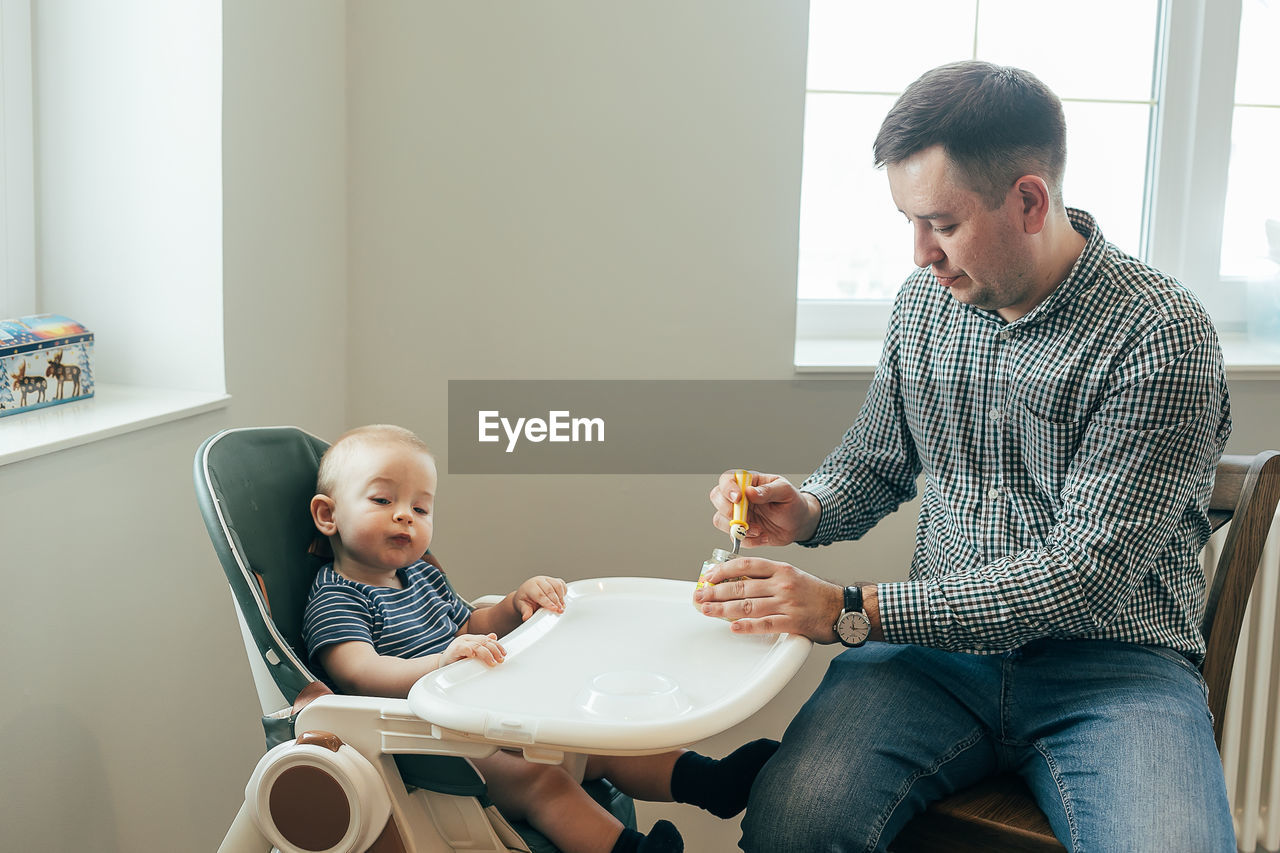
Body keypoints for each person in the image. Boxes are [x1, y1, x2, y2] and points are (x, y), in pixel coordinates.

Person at [697, 61, 1235, 852]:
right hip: (934, 660)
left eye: (942, 224)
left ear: (1028, 200)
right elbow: (875, 461)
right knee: (794, 824)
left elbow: (1081, 581)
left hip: (1116, 671)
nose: (920, 253)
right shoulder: (926, 304)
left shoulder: (1161, 337)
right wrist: (805, 507)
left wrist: (851, 609)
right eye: (909, 222)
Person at [302, 424, 777, 853]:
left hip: (479, 716)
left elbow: (469, 626)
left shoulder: (422, 576)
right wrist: (440, 664)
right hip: (426, 749)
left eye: (420, 506)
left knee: (596, 742)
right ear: (328, 515)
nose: (405, 516)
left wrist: (513, 606)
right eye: (383, 501)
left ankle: (708, 782)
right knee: (541, 779)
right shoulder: (338, 597)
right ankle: (627, 850)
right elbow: (357, 671)